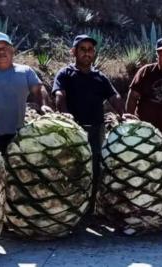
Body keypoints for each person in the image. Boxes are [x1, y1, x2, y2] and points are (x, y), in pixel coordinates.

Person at [52, 34, 123, 212]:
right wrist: (65, 114)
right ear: (73, 52)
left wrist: (124, 113)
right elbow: (59, 95)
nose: (87, 53)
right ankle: (70, 210)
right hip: (73, 131)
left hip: (96, 131)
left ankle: (90, 210)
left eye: (90, 50)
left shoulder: (100, 78)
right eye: (82, 49)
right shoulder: (65, 74)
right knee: (72, 168)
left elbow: (114, 97)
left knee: (95, 170)